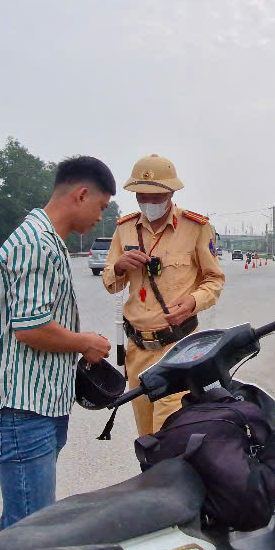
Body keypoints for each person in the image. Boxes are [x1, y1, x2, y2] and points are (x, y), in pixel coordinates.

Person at [0, 156, 116, 530]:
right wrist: (84, 341)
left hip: (36, 400)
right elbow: (31, 328)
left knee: (24, 519)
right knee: (31, 527)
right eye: (101, 206)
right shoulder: (37, 243)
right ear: (82, 195)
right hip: (20, 406)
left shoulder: (47, 240)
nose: (100, 217)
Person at [103, 154, 226, 436]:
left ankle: (171, 476)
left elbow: (214, 279)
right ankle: (155, 479)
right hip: (137, 350)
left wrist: (194, 301)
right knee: (146, 435)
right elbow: (112, 283)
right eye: (141, 196)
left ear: (171, 193)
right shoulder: (124, 228)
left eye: (156, 196)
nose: (148, 202)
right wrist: (119, 267)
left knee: (169, 433)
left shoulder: (196, 227)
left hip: (178, 348)